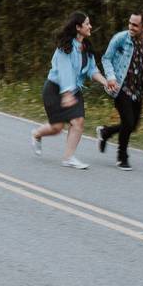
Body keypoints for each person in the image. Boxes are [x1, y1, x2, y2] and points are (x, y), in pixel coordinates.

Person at [31, 11, 110, 169]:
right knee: (57, 128)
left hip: (74, 90)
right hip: (54, 89)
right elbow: (64, 71)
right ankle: (36, 134)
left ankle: (68, 158)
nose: (90, 26)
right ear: (78, 27)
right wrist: (67, 93)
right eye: (87, 23)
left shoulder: (86, 47)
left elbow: (92, 70)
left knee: (78, 122)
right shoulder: (64, 47)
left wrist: (105, 82)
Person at [96, 10, 143, 170]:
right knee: (128, 122)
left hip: (138, 89)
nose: (130, 27)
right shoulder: (121, 39)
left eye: (135, 25)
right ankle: (122, 157)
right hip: (120, 87)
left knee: (132, 126)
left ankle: (106, 132)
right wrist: (111, 77)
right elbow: (106, 58)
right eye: (130, 23)